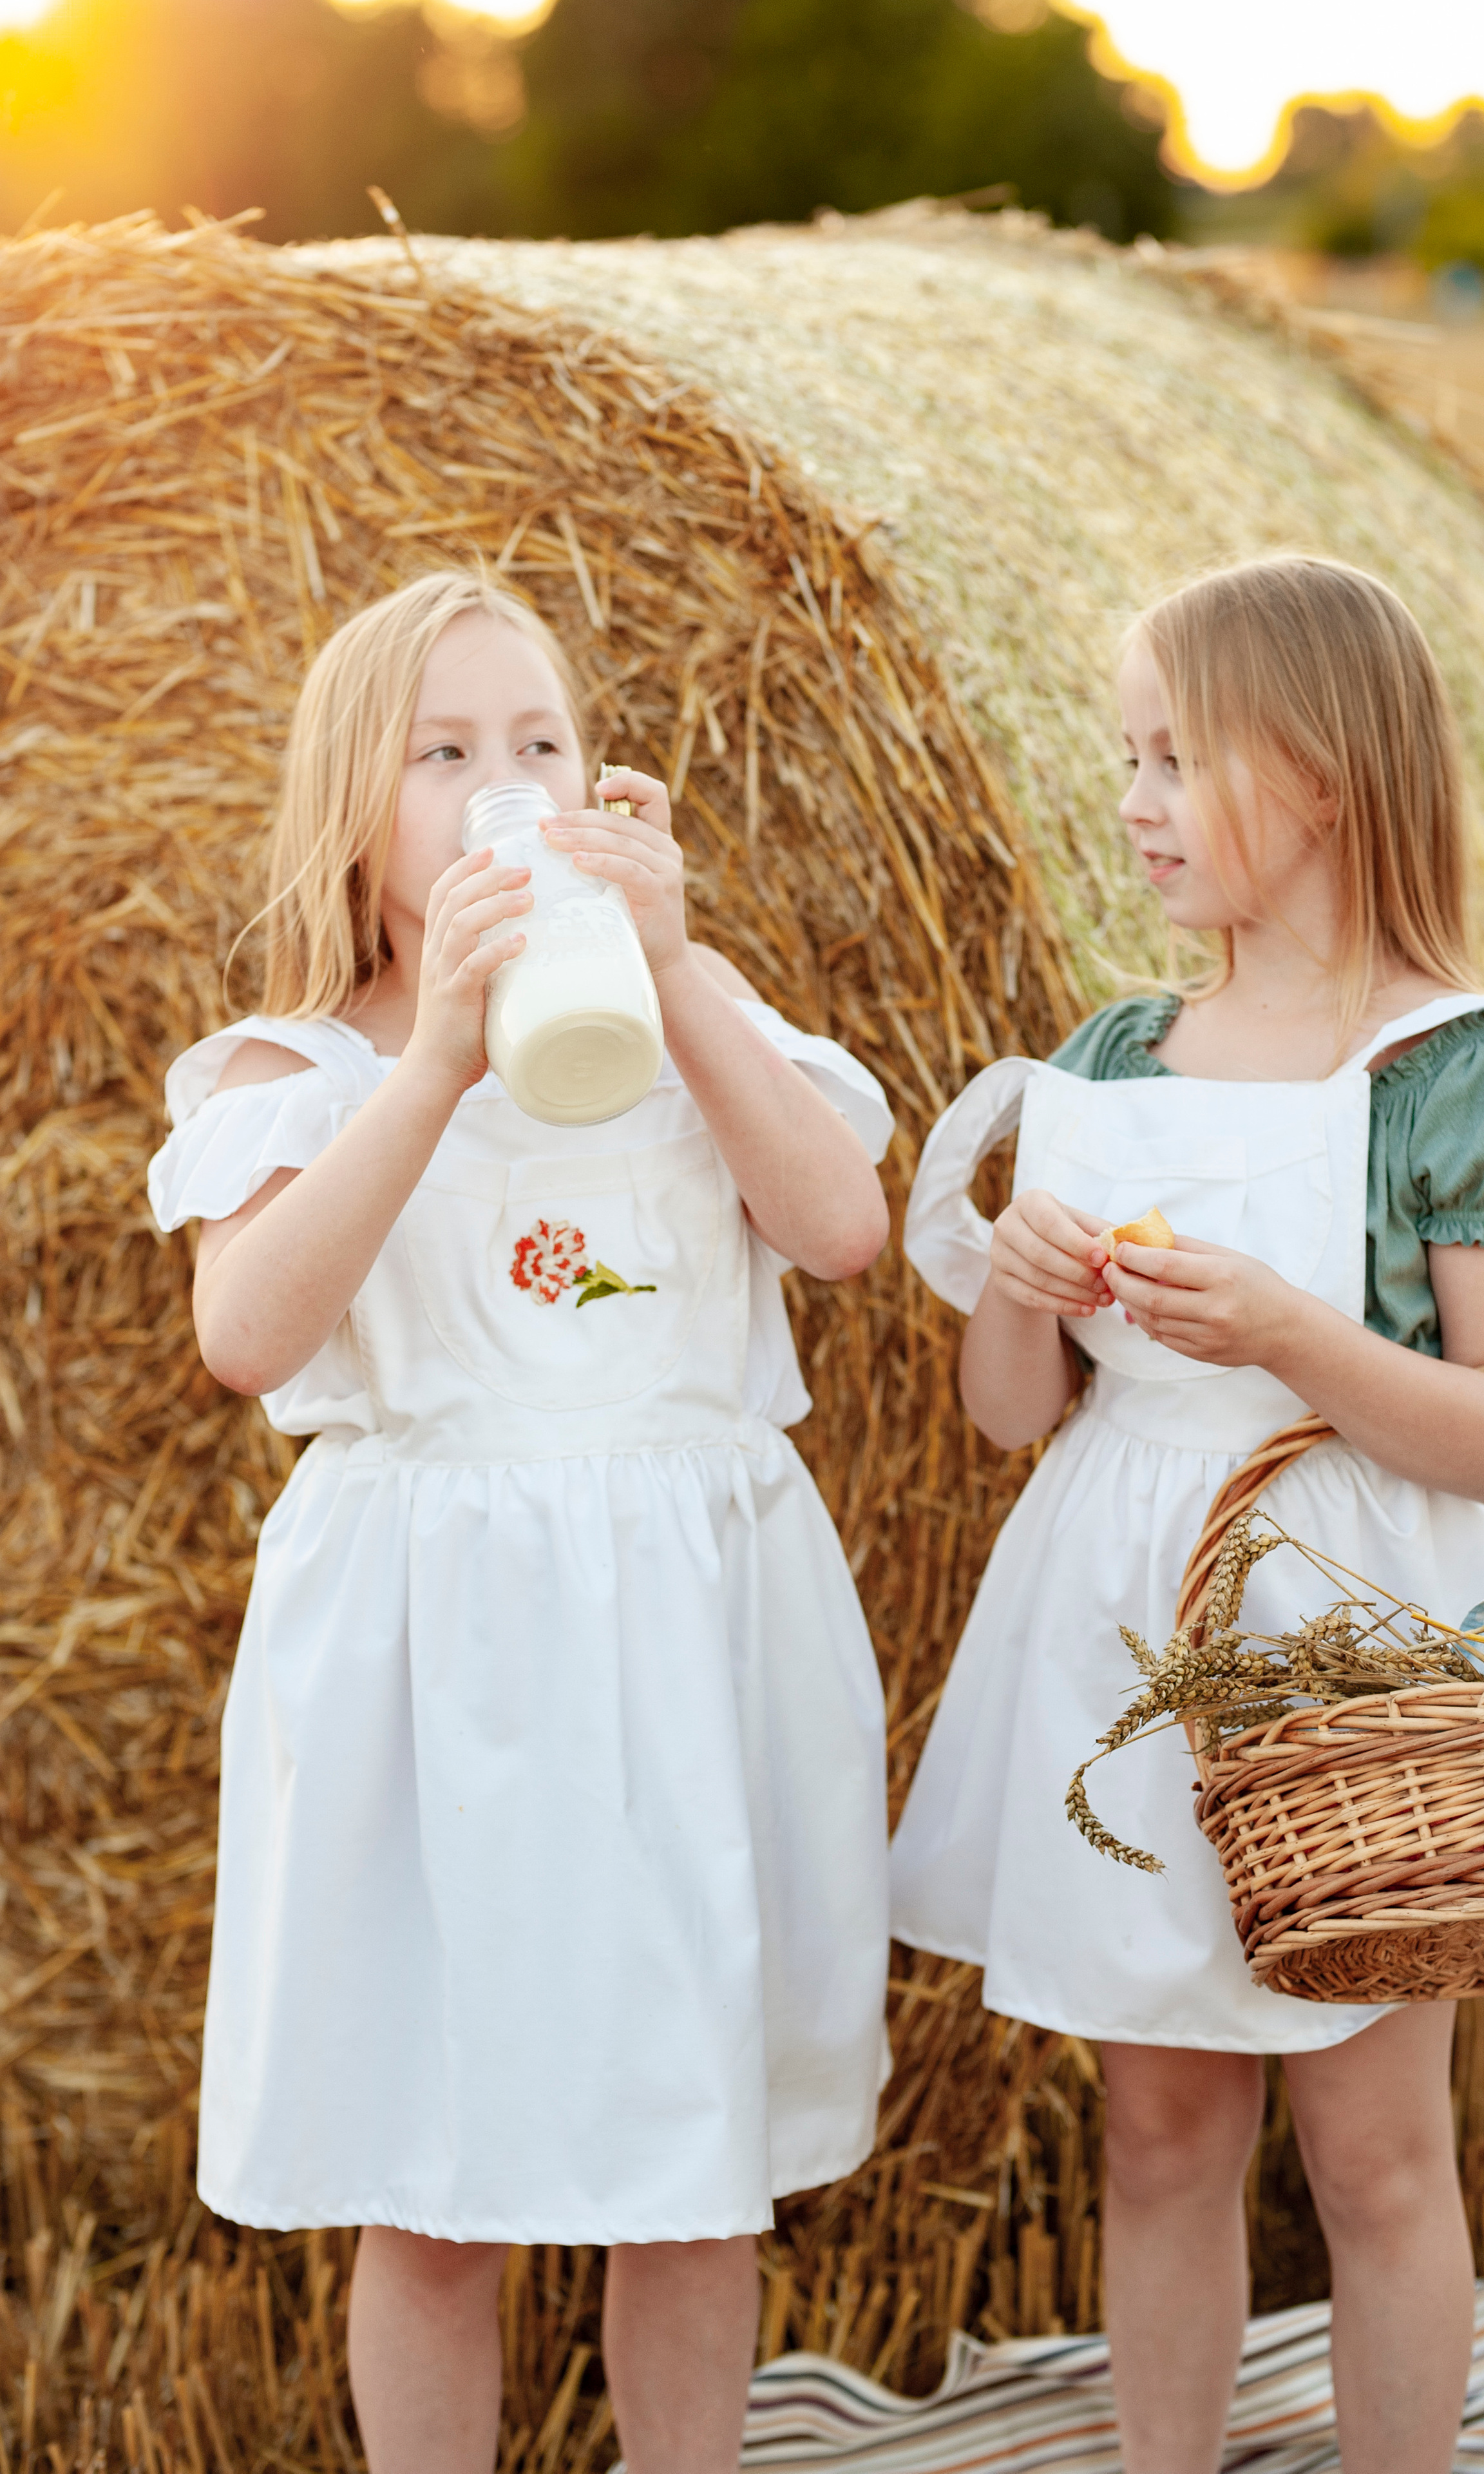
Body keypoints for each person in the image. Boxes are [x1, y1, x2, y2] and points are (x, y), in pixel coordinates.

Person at [146, 570, 895, 2474]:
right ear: (355, 808)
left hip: (688, 1636)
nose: (509, 782)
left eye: (543, 744)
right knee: (439, 2177)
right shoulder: (298, 1075)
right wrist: (436, 1063)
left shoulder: (692, 1021)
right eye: (450, 753)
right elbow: (247, 1335)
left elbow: (840, 1227)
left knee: (694, 2175)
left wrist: (684, 968)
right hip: (441, 1660)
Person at [890, 557, 1484, 2474]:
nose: (1129, 799)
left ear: (1318, 775)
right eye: (1129, 755)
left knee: (1373, 2155)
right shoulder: (1114, 1059)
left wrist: (1295, 1333)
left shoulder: (1474, 1072)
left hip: (1353, 1643)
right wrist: (1019, 1292)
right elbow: (1010, 1420)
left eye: (1170, 757)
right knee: (1162, 2132)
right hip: (1128, 1633)